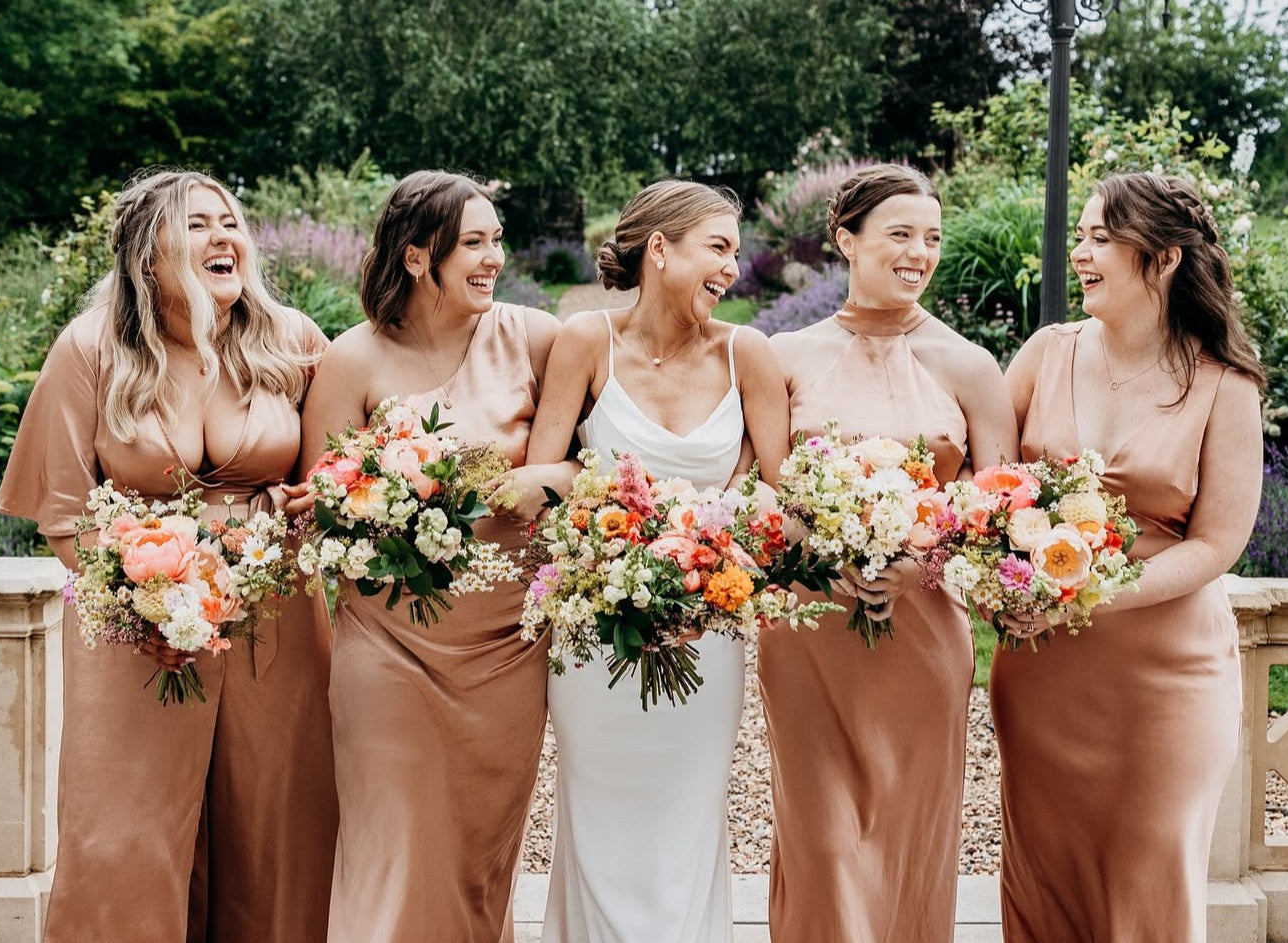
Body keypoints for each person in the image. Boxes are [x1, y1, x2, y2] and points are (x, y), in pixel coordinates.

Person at [0, 169, 338, 942]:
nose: (225, 237)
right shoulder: (91, 349)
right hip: (137, 627)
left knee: (275, 829)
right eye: (198, 224)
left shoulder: (295, 341)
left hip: (274, 616)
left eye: (232, 222)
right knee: (123, 831)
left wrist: (308, 506)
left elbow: (335, 478)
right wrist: (140, 600)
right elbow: (63, 512)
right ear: (148, 254)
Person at [991, 171, 1264, 942]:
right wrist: (991, 574)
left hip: (1165, 678)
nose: (1080, 253)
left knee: (1151, 878)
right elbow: (988, 487)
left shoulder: (1224, 384)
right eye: (1080, 236)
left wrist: (1092, 593)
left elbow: (1217, 543)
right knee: (1045, 878)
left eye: (1100, 239)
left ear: (1165, 257)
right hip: (1044, 670)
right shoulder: (1047, 352)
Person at [298, 170, 562, 943]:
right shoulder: (353, 360)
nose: (493, 258)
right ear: (418, 257)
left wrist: (543, 476)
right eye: (473, 243)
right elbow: (319, 510)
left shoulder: (538, 339)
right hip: (387, 643)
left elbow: (596, 470)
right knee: (396, 842)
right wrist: (390, 510)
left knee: (479, 855)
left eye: (497, 240)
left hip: (506, 646)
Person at [759, 163, 1018, 942]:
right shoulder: (783, 358)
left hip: (924, 636)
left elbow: (997, 507)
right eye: (900, 234)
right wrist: (813, 545)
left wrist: (920, 564)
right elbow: (759, 494)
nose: (920, 252)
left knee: (909, 837)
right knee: (823, 839)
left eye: (932, 237)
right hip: (809, 630)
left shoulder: (969, 365)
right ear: (847, 239)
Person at [524, 180, 789, 942]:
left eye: (735, 253)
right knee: (599, 821)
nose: (731, 269)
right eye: (718, 248)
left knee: (686, 818)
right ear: (660, 250)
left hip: (706, 629)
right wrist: (604, 536)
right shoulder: (585, 341)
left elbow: (782, 493)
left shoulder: (749, 354)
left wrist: (724, 541)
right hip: (597, 630)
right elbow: (545, 480)